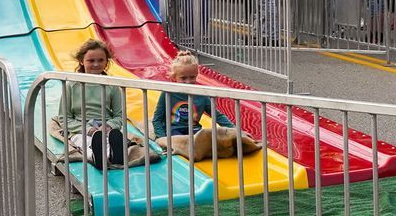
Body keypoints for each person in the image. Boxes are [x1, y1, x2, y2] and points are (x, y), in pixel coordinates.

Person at [60, 40, 154, 170]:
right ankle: (96, 156)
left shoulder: (112, 85)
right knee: (86, 142)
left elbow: (119, 115)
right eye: (91, 61)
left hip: (106, 127)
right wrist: (87, 129)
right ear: (82, 61)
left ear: (106, 62)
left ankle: (113, 154)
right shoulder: (72, 85)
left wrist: (109, 126)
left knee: (109, 139)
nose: (96, 64)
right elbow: (64, 117)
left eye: (100, 60)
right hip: (81, 129)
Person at [151, 52, 262, 162]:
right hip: (174, 131)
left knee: (209, 138)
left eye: (192, 77)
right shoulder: (168, 93)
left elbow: (217, 115)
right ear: (174, 77)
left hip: (195, 131)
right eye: (183, 78)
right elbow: (157, 119)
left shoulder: (201, 95)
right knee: (184, 143)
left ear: (197, 75)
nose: (188, 82)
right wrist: (162, 138)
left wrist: (237, 131)